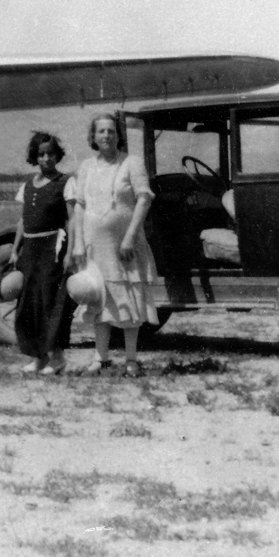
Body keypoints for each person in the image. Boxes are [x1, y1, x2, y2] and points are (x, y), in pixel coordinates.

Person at [65, 112, 159, 377]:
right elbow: (80, 205)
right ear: (93, 137)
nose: (106, 135)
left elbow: (143, 200)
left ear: (118, 136)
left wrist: (130, 236)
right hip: (96, 247)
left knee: (129, 298)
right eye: (101, 131)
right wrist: (79, 244)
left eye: (111, 131)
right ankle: (101, 357)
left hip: (125, 246)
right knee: (98, 300)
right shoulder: (85, 167)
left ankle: (131, 359)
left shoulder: (132, 163)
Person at [10, 133, 78, 375]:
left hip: (53, 249)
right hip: (30, 250)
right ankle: (38, 357)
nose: (46, 158)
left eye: (50, 153)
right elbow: (22, 221)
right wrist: (15, 250)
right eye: (41, 154)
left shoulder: (65, 182)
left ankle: (57, 358)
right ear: (34, 157)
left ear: (57, 155)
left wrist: (71, 252)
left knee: (51, 302)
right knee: (29, 303)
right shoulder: (27, 185)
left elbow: (71, 220)